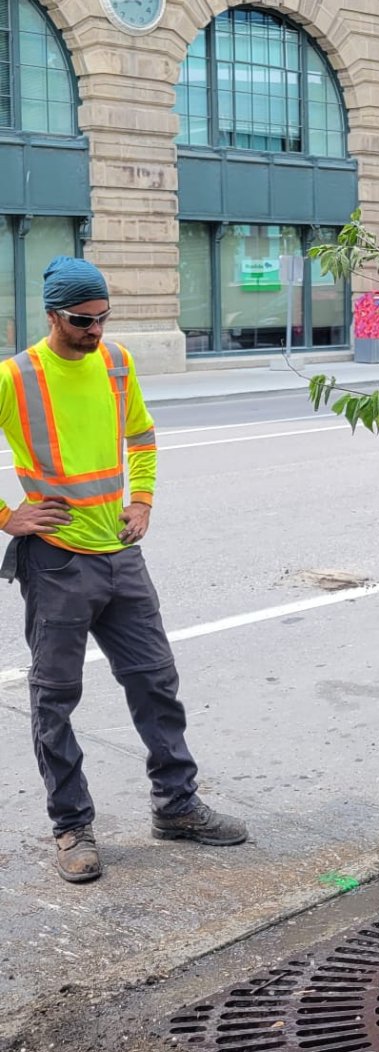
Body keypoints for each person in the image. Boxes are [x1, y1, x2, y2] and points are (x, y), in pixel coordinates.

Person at [0, 257, 248, 884]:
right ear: (52, 316)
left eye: (105, 317)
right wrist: (7, 517)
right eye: (84, 321)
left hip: (120, 554)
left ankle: (177, 805)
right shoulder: (16, 376)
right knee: (55, 700)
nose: (97, 331)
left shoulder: (115, 363)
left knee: (156, 682)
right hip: (56, 562)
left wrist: (141, 501)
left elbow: (139, 435)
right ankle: (71, 824)